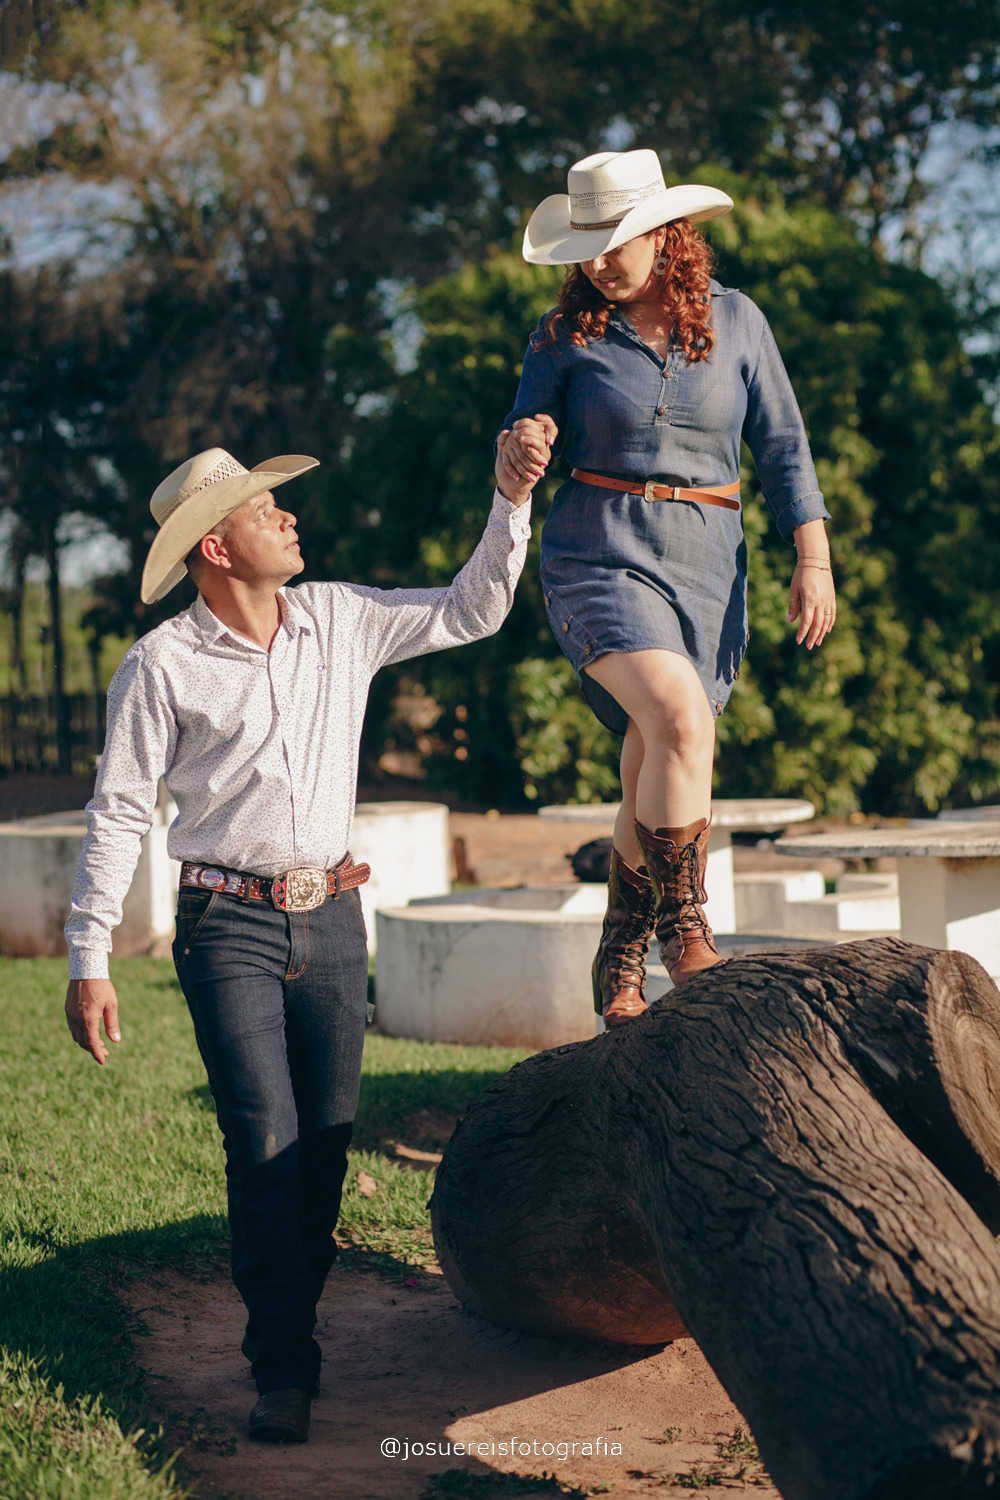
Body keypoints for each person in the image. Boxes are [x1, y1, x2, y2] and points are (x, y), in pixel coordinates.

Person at [64, 438, 538, 1443]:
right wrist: (88, 956)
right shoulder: (161, 666)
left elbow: (472, 608)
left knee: (323, 1147)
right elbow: (117, 812)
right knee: (262, 1138)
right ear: (216, 550)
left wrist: (509, 498)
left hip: (331, 918)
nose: (284, 514)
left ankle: (293, 1311)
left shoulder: (339, 617)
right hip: (222, 923)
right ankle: (282, 1360)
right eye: (260, 507)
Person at [498, 149, 836, 1028]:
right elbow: (522, 423)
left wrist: (814, 558)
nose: (597, 261)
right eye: (584, 245)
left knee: (656, 754)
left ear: (663, 233)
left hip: (709, 560)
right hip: (598, 548)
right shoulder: (562, 336)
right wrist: (524, 443)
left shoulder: (739, 321)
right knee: (678, 718)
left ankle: (618, 952)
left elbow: (784, 449)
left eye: (612, 240)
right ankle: (685, 929)